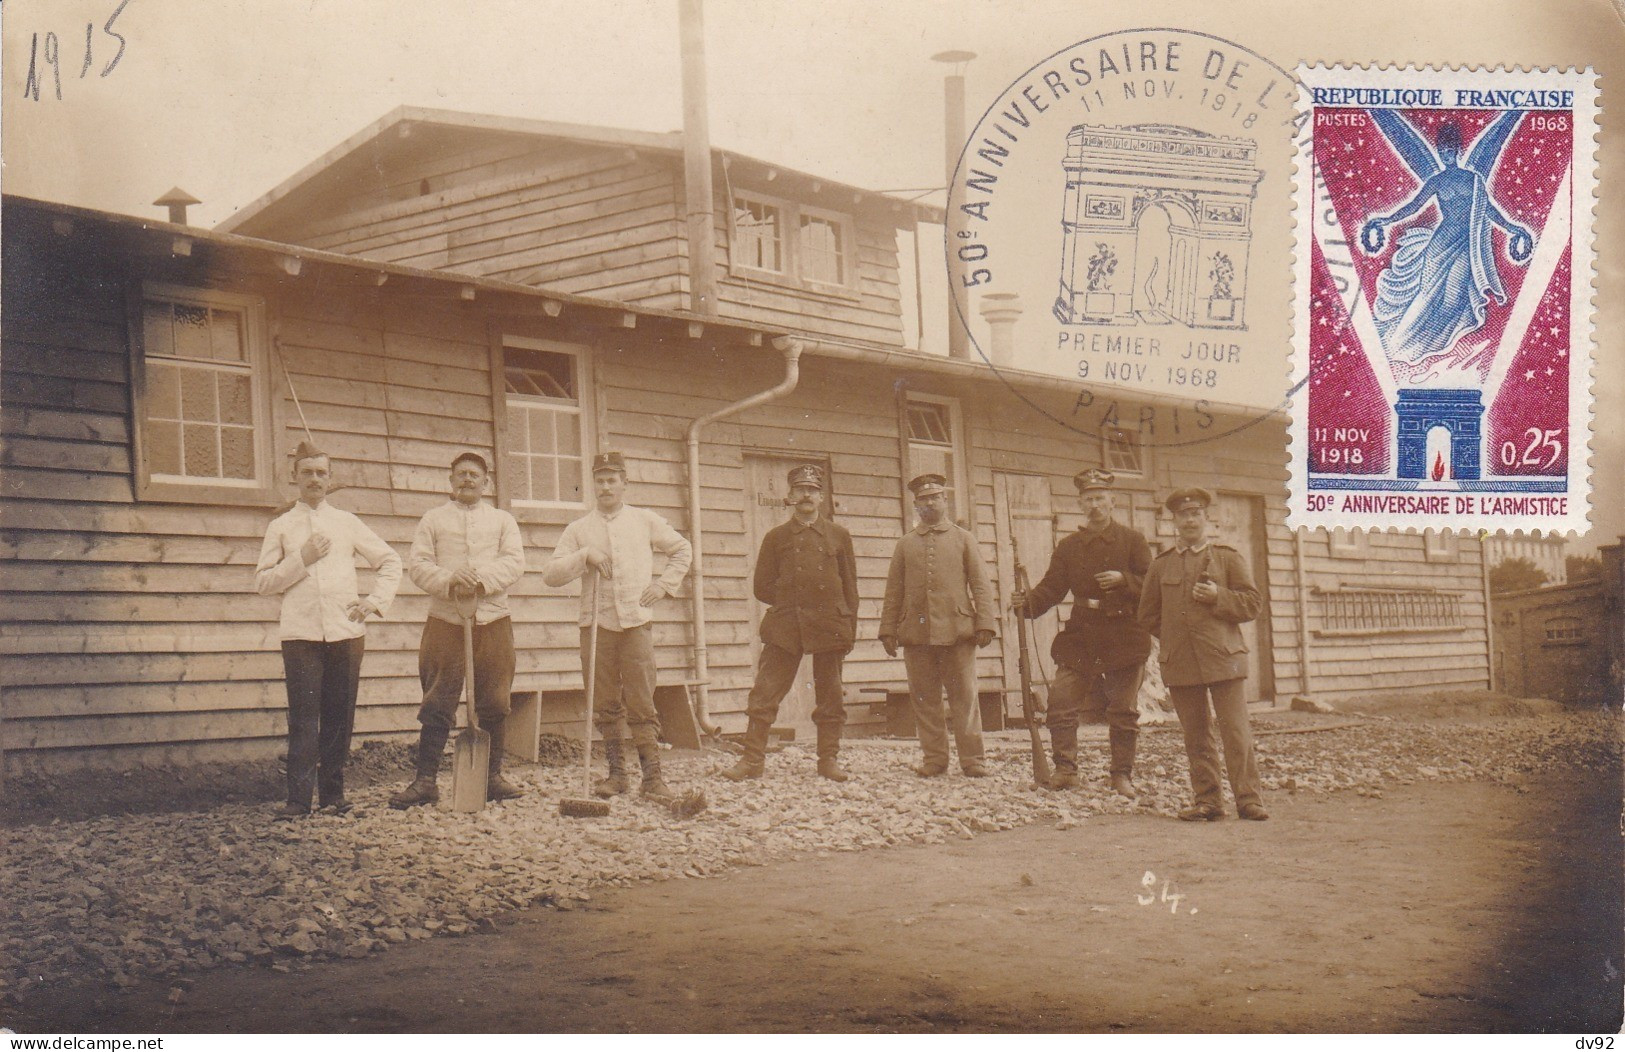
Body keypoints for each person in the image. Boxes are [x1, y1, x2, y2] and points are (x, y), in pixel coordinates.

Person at [255, 442, 401, 818]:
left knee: (340, 714)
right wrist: (300, 559)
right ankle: (299, 800)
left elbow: (389, 561)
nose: (315, 479)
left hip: (345, 632)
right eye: (307, 472)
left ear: (330, 478)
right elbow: (264, 582)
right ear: (295, 477)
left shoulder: (347, 523)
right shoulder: (281, 526)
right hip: (301, 634)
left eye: (321, 473)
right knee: (304, 717)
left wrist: (374, 601)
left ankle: (334, 797)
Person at [541, 451, 692, 799]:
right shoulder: (579, 529)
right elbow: (550, 574)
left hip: (636, 624)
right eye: (600, 480)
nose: (606, 486)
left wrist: (663, 585)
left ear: (625, 483)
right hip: (596, 625)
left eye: (613, 480)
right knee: (604, 701)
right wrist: (584, 557)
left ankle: (652, 779)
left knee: (641, 700)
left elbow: (682, 550)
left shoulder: (644, 520)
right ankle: (616, 775)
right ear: (593, 484)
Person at [390, 452, 527, 809]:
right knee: (437, 700)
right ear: (450, 481)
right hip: (445, 621)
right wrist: (450, 580)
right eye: (461, 474)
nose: (468, 480)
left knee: (495, 700)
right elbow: (418, 564)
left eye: (475, 475)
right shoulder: (433, 520)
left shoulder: (502, 521)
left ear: (487, 483)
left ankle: (492, 777)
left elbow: (514, 562)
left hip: (493, 618)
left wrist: (479, 581)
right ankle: (425, 781)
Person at [1011, 467, 1151, 797]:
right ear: (1080, 504)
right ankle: (1065, 770)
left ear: (1112, 501)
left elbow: (1152, 586)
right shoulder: (1070, 546)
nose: (1094, 506)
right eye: (1088, 500)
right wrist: (1026, 604)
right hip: (1082, 633)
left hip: (1124, 634)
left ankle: (1121, 775)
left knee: (1123, 709)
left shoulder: (1133, 541)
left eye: (1100, 498)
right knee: (1060, 701)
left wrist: (1125, 581)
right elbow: (1052, 587)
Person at [721, 464, 858, 783]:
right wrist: (793, 599)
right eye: (800, 490)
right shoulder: (776, 537)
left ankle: (828, 761)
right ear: (790, 496)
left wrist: (848, 627)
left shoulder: (839, 536)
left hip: (829, 623)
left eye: (812, 490)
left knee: (831, 695)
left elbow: (850, 588)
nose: (806, 495)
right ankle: (752, 760)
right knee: (765, 692)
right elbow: (762, 586)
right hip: (787, 624)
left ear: (821, 497)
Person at [1137, 487, 1268, 822]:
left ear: (1207, 519)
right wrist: (1176, 639)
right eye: (1183, 515)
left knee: (1235, 732)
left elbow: (1252, 604)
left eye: (1196, 513)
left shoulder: (1227, 557)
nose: (1190, 520)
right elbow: (1148, 615)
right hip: (1181, 661)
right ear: (1174, 521)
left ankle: (1248, 799)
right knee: (1196, 734)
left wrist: (1219, 597)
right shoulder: (1161, 565)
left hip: (1224, 657)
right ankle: (1208, 800)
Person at [1361, 112, 1533, 365]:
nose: (1445, 156)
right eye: (1442, 151)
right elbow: (1413, 207)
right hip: (1440, 244)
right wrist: (1384, 221)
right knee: (1427, 293)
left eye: (1449, 151)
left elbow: (1488, 209)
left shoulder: (1474, 180)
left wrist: (1512, 228)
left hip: (1465, 245)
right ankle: (1406, 341)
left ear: (1457, 151)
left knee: (1452, 300)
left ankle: (1427, 344)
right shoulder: (1437, 181)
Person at [879, 473, 997, 777]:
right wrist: (888, 629)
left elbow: (980, 585)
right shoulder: (905, 544)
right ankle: (934, 759)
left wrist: (985, 622)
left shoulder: (963, 539)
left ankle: (973, 760)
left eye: (935, 497)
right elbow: (894, 591)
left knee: (965, 697)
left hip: (958, 631)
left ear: (945, 500)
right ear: (916, 504)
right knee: (924, 698)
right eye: (923, 499)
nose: (929, 503)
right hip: (917, 634)